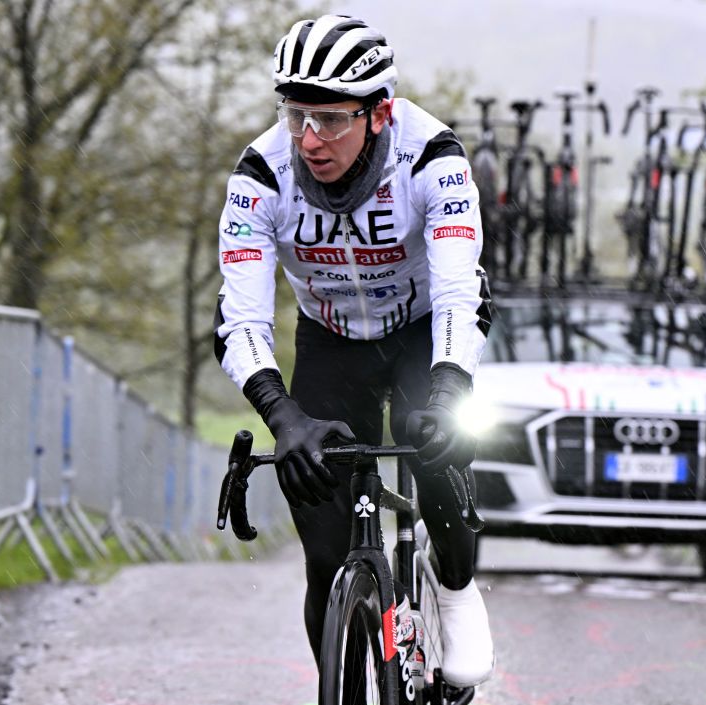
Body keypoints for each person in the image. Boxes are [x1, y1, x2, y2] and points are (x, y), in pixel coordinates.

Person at [213, 14, 494, 689]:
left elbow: (462, 291)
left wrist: (451, 389)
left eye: (332, 119)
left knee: (441, 463)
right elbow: (238, 317)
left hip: (423, 333)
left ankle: (453, 587)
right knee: (322, 544)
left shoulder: (432, 156)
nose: (310, 139)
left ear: (379, 113)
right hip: (330, 342)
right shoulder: (261, 174)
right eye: (296, 114)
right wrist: (282, 415)